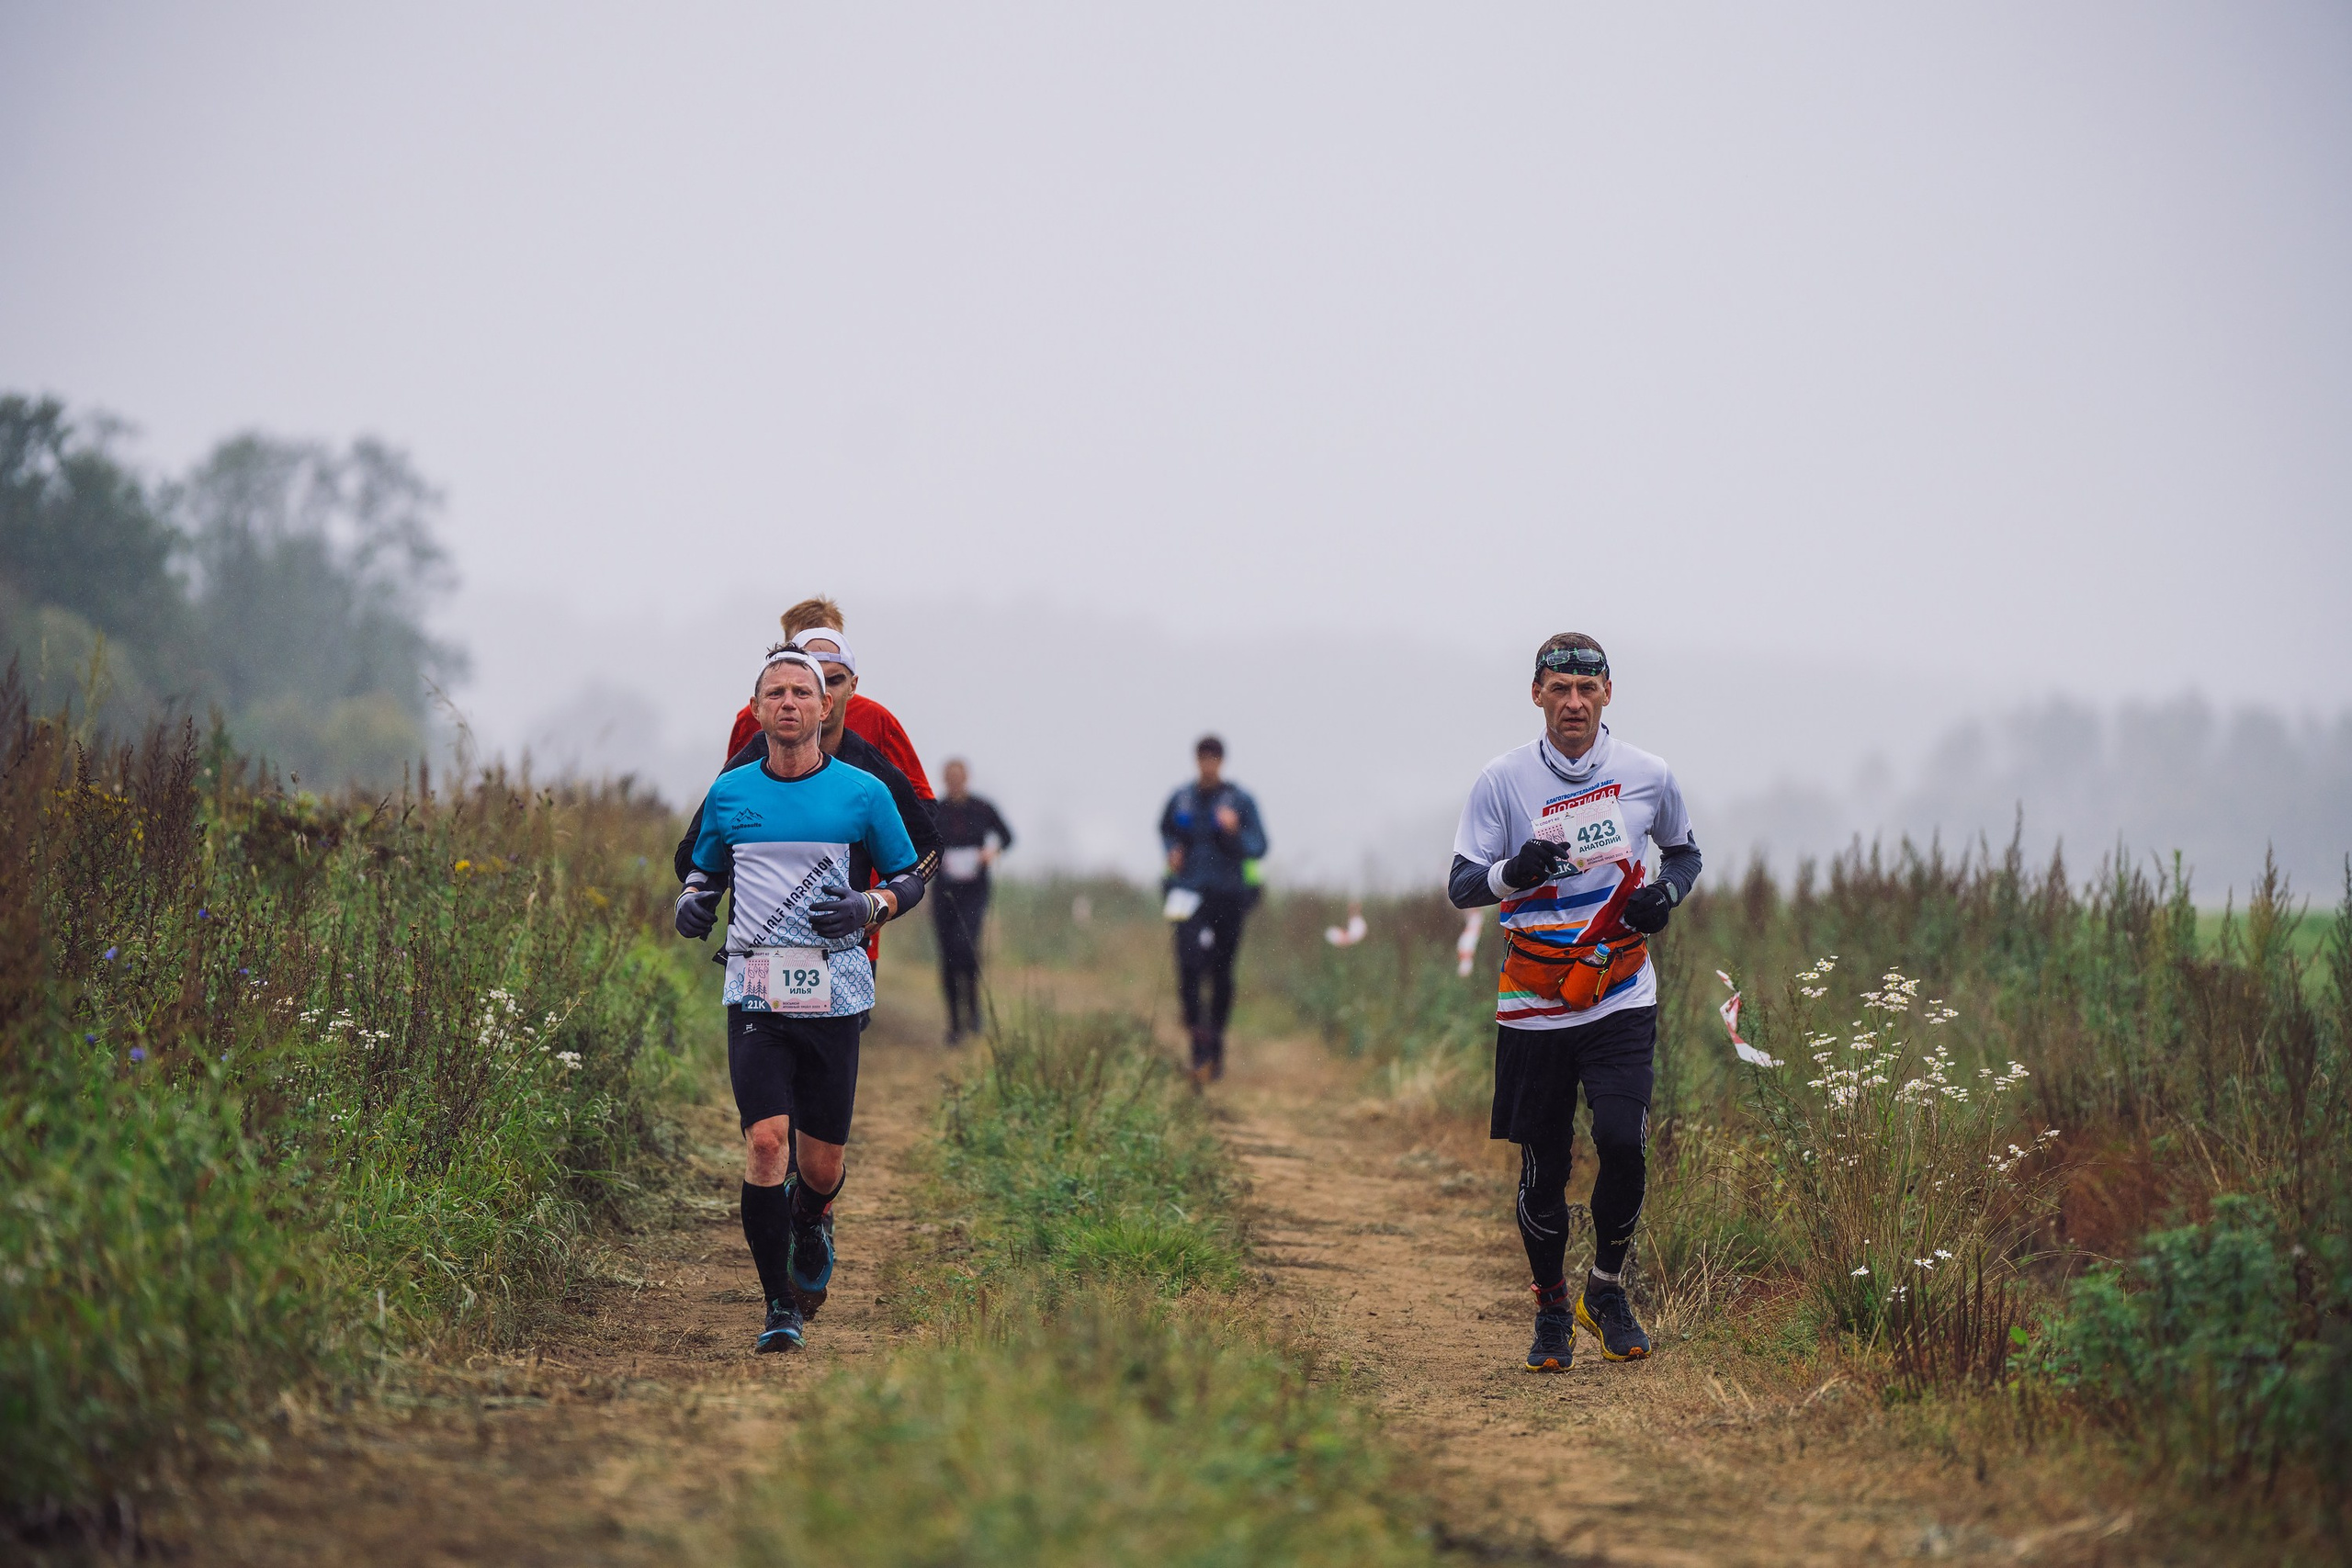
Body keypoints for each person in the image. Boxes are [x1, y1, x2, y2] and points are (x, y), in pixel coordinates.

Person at [1447, 634, 1702, 1373]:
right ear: (1537, 695)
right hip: (1534, 1000)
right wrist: (1512, 872)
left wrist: (1666, 896)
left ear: (1609, 694)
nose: (1573, 704)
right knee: (1545, 1166)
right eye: (1559, 689)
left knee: (1623, 1139)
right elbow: (1462, 884)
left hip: (1620, 989)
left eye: (1586, 691)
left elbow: (1685, 853)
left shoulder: (1648, 775)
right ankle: (1553, 1308)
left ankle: (1608, 1290)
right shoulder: (1503, 780)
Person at [674, 647, 926, 1355]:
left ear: (825, 708)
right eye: (774, 693)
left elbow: (909, 877)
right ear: (756, 712)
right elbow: (703, 869)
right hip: (754, 986)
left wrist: (868, 903)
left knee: (817, 1167)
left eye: (801, 692)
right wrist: (692, 903)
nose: (788, 703)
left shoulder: (863, 793)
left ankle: (812, 1215)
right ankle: (779, 1304)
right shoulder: (730, 793)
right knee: (764, 1143)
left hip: (836, 987)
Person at [723, 597, 932, 800]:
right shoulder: (753, 718)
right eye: (807, 648)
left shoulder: (875, 717)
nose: (820, 651)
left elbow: (920, 804)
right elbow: (727, 794)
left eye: (830, 642)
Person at [1158, 735, 1268, 1083]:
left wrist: (1235, 833)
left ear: (1221, 761)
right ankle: (1198, 1048)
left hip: (1228, 896)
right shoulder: (1181, 798)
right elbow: (1165, 830)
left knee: (1221, 973)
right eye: (1203, 758)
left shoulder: (1241, 801)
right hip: (1186, 896)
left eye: (1213, 759)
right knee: (1188, 969)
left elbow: (1260, 845)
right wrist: (1173, 849)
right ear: (1196, 760)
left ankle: (1215, 1045)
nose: (1208, 764)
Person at [931, 758, 1013, 1043]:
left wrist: (991, 853)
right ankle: (954, 1023)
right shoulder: (936, 811)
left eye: (959, 776)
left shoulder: (982, 808)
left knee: (966, 949)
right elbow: (921, 844)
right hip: (944, 892)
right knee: (947, 957)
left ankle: (975, 1011)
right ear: (944, 779)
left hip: (975, 891)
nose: (954, 781)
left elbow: (1007, 837)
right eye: (949, 777)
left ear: (966, 778)